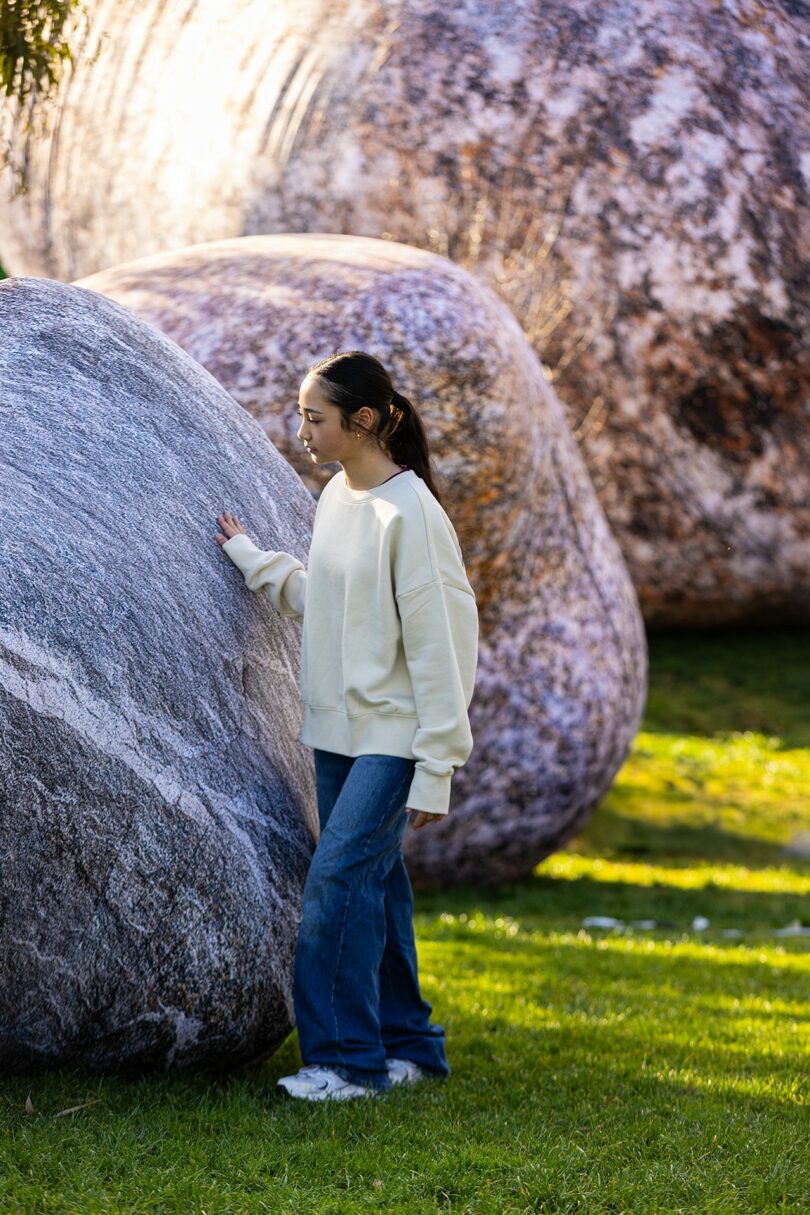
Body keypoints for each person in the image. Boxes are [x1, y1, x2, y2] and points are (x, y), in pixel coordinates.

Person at [214, 350, 478, 1102]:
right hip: (336, 734)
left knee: (334, 885)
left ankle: (346, 1062)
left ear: (362, 421)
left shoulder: (414, 516)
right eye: (303, 415)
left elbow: (443, 652)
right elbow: (323, 600)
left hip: (394, 740)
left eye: (314, 417)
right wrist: (248, 559)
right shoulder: (338, 496)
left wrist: (437, 765)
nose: (302, 430)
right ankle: (412, 1046)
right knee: (377, 888)